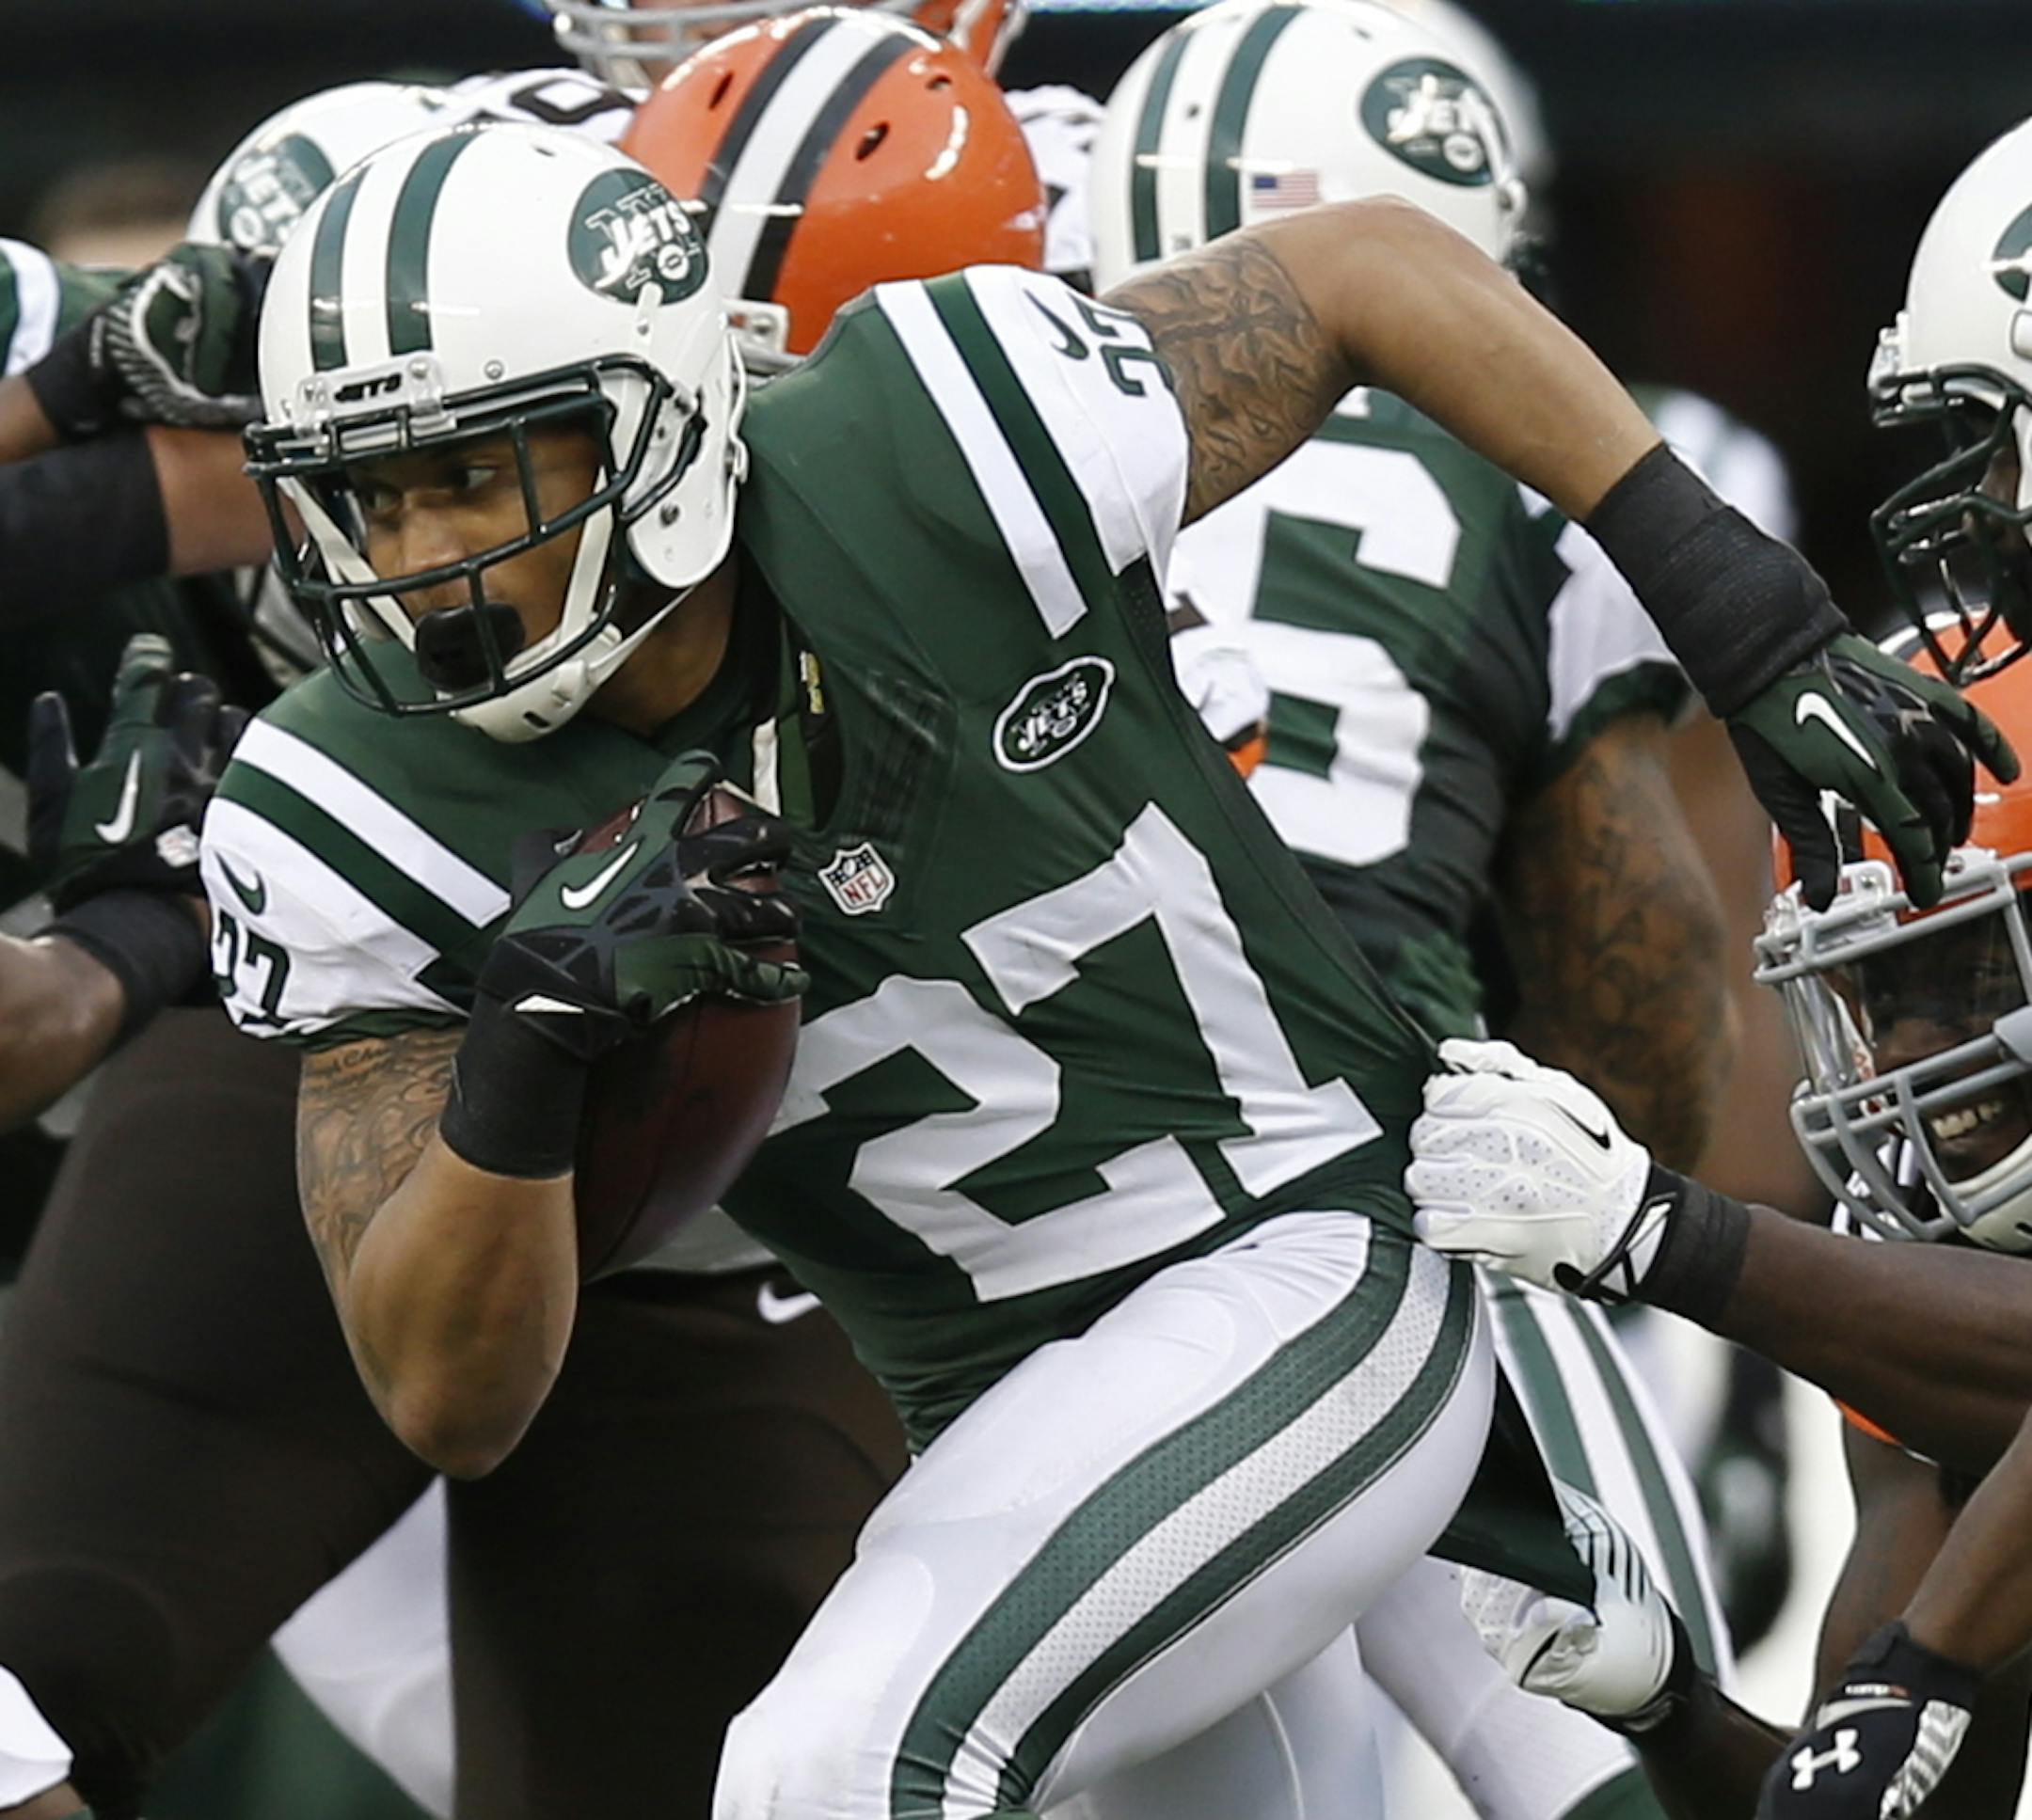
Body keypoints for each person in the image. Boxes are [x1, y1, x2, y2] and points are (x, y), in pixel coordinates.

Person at [195, 93, 2002, 1819]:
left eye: (474, 475)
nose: (423, 562)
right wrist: (529, 1046)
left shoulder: (930, 444)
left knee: (828, 1774)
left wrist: (1745, 612)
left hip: (1306, 1251)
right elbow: (451, 1395)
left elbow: (1374, 264)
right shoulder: (355, 801)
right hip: (1010, 1410)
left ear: (661, 416)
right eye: (371, 499)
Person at [1082, 6, 1733, 1816]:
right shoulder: (1543, 492)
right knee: (1641, 1754)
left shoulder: (949, 447)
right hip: (1416, 1212)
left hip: (1037, 1253)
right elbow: (1649, 1050)